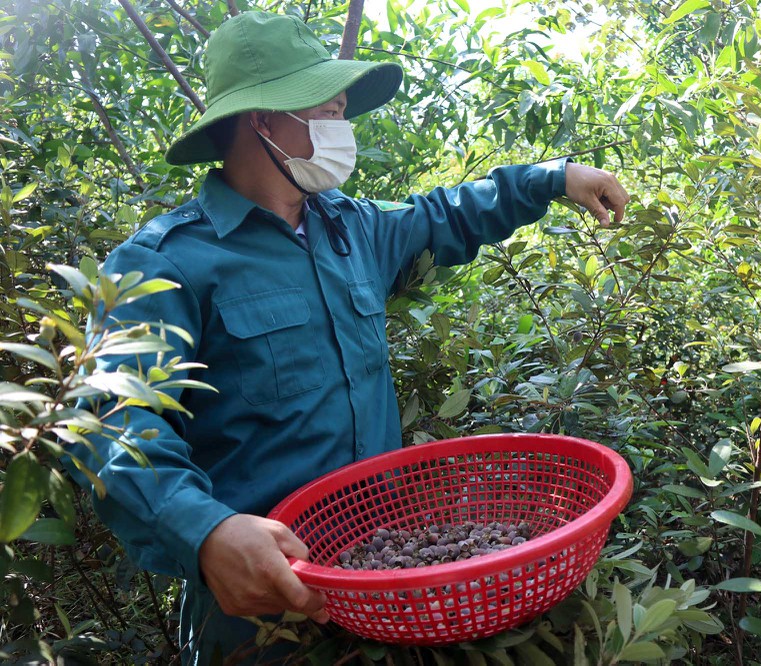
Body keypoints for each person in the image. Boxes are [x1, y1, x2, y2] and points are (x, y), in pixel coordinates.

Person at [66, 10, 629, 665]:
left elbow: (445, 213)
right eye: (329, 109)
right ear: (263, 120)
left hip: (382, 583)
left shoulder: (350, 229)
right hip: (260, 614)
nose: (343, 126)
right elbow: (110, 419)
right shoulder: (164, 262)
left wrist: (551, 180)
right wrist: (208, 532)